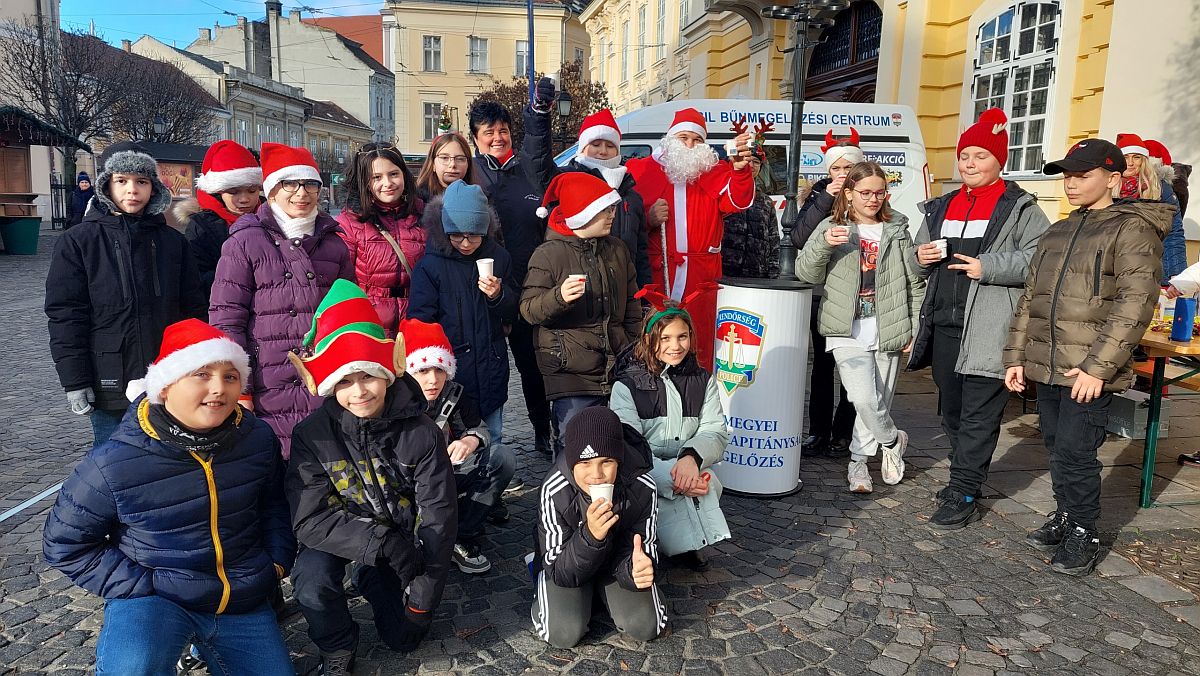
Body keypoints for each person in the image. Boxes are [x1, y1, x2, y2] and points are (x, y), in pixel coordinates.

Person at [42, 319, 296, 675]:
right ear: (166, 385)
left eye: (230, 376)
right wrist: (143, 584)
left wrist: (275, 563)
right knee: (133, 668)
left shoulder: (256, 438)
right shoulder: (115, 460)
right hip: (157, 598)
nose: (219, 388)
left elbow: (273, 504)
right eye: (202, 374)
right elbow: (64, 543)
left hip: (240, 595)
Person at [1004, 139, 1173, 576]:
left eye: (1082, 175)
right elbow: (1031, 299)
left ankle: (1084, 530)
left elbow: (1135, 304)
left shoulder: (1131, 229)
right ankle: (1064, 515)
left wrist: (1099, 368)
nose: (1071, 183)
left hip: (1088, 368)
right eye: (1067, 175)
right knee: (1058, 447)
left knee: (1079, 452)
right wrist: (1016, 356)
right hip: (1049, 360)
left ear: (1113, 179)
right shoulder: (1059, 229)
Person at [287, 281, 457, 673]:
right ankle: (336, 645)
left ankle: (373, 581)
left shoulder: (423, 432)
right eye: (344, 382)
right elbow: (309, 518)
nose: (359, 391)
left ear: (387, 375)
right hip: (353, 538)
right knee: (311, 576)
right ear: (329, 386)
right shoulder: (311, 436)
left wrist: (422, 601)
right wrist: (377, 541)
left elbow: (439, 519)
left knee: (404, 639)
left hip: (405, 545)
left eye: (367, 376)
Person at [908, 109, 1052, 529]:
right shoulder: (943, 205)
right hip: (945, 327)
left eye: (980, 156)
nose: (969, 164)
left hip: (991, 328)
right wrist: (919, 257)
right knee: (951, 411)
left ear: (999, 161)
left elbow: (1040, 260)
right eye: (965, 156)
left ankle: (965, 489)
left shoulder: (1020, 208)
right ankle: (966, 473)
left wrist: (987, 267)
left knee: (980, 415)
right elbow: (915, 259)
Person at [46, 141, 205, 445]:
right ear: (107, 185)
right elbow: (66, 315)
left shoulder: (173, 242)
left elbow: (193, 309)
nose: (132, 190)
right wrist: (75, 380)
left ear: (153, 188)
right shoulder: (78, 242)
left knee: (170, 459)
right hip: (109, 377)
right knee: (113, 461)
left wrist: (198, 365)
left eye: (141, 182)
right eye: (122, 181)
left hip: (167, 374)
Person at [209, 143, 354, 459]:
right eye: (291, 184)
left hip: (322, 377)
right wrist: (238, 384)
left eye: (310, 184)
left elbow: (347, 316)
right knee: (277, 464)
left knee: (325, 467)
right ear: (271, 191)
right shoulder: (245, 241)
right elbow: (226, 318)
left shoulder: (334, 245)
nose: (302, 193)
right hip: (267, 378)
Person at [794, 161, 924, 494]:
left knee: (879, 399)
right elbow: (805, 273)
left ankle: (858, 464)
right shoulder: (832, 226)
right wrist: (824, 243)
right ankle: (893, 441)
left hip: (889, 325)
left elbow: (914, 280)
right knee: (863, 399)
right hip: (844, 328)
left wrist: (914, 323)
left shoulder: (897, 228)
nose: (872, 199)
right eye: (864, 192)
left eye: (879, 192)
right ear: (849, 193)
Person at [609, 289, 731, 571]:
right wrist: (673, 476)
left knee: (706, 478)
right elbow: (629, 444)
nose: (674, 345)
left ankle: (689, 543)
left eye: (682, 337)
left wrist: (691, 458)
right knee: (658, 488)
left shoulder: (702, 380)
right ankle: (655, 542)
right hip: (645, 469)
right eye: (665, 338)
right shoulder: (627, 386)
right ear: (650, 340)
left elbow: (714, 430)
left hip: (686, 464)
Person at [520, 172, 641, 452]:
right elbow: (528, 310)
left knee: (618, 444)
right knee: (575, 447)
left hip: (618, 366)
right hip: (570, 371)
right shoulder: (548, 254)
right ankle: (566, 497)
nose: (613, 215)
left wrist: (632, 345)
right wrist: (558, 297)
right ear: (582, 214)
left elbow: (633, 305)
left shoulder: (618, 250)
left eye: (611, 208)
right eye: (604, 210)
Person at [627, 107, 755, 368]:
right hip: (658, 271)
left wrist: (741, 172)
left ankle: (698, 393)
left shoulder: (713, 171)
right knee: (657, 337)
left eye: (697, 140)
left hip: (701, 276)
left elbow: (737, 201)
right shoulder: (643, 170)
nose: (689, 145)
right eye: (683, 138)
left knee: (698, 339)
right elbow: (624, 221)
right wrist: (649, 220)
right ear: (670, 139)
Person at [531, 406, 666, 648]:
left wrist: (638, 568)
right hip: (567, 564)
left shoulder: (642, 486)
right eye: (585, 463)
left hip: (616, 565)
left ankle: (604, 595)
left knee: (646, 626)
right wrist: (591, 536)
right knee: (562, 633)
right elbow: (560, 571)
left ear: (620, 460)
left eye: (607, 462)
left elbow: (643, 549)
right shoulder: (555, 488)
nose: (597, 475)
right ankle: (553, 588)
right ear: (572, 464)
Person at [468, 98, 553, 454]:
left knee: (532, 367)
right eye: (489, 132)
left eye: (503, 130)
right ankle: (485, 443)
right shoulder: (469, 171)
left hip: (526, 288)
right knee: (484, 368)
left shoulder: (526, 172)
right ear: (475, 138)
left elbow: (538, 149)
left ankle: (542, 432)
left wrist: (538, 117)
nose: (498, 137)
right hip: (481, 290)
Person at [400, 317, 515, 575]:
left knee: (501, 458)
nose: (433, 380)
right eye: (423, 371)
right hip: (408, 484)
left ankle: (461, 533)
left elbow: (479, 428)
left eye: (439, 370)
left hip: (447, 472)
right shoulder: (393, 402)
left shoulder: (453, 393)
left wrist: (469, 440)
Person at [409, 180, 518, 447]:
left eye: (474, 235)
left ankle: (492, 482)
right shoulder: (430, 266)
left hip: (491, 364)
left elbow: (515, 309)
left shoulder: (500, 258)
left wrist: (498, 295)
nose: (466, 243)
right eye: (457, 235)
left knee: (494, 435)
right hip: (453, 368)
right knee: (451, 439)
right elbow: (421, 320)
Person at [522, 78, 652, 286]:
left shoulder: (631, 196)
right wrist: (540, 115)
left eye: (609, 145)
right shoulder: (569, 181)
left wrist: (644, 298)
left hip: (619, 292)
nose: (602, 151)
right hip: (575, 289)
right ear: (582, 148)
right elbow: (537, 166)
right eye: (596, 144)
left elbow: (641, 255)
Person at [790, 130, 863, 459]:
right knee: (821, 367)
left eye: (849, 168)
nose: (843, 174)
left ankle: (843, 433)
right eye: (837, 168)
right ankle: (818, 432)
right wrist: (825, 199)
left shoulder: (869, 196)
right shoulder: (818, 194)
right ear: (828, 171)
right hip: (823, 294)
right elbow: (798, 237)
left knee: (853, 368)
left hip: (857, 295)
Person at [335, 142, 426, 336]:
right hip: (372, 325)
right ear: (364, 182)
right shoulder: (350, 222)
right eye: (376, 177)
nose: (388, 183)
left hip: (417, 319)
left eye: (393, 174)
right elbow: (343, 282)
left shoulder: (424, 214)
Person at [176, 140, 264, 315]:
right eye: (234, 192)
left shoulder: (270, 218)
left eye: (252, 191)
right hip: (222, 312)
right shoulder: (201, 227)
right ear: (218, 193)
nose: (244, 199)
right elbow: (195, 279)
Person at [1116, 133, 1186, 282]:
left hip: (1150, 268)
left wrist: (1176, 274)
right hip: (1114, 267)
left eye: (1136, 157)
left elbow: (1173, 233)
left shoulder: (1160, 188)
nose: (1130, 163)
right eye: (1125, 157)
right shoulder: (1106, 187)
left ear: (1144, 160)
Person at [720, 127, 781, 279]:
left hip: (756, 273)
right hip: (725, 269)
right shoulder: (724, 191)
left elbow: (773, 238)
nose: (752, 166)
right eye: (749, 160)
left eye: (756, 162)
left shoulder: (765, 201)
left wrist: (773, 270)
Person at [415, 131, 476, 201]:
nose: (452, 164)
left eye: (460, 159)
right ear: (433, 164)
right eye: (444, 158)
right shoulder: (416, 202)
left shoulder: (479, 199)